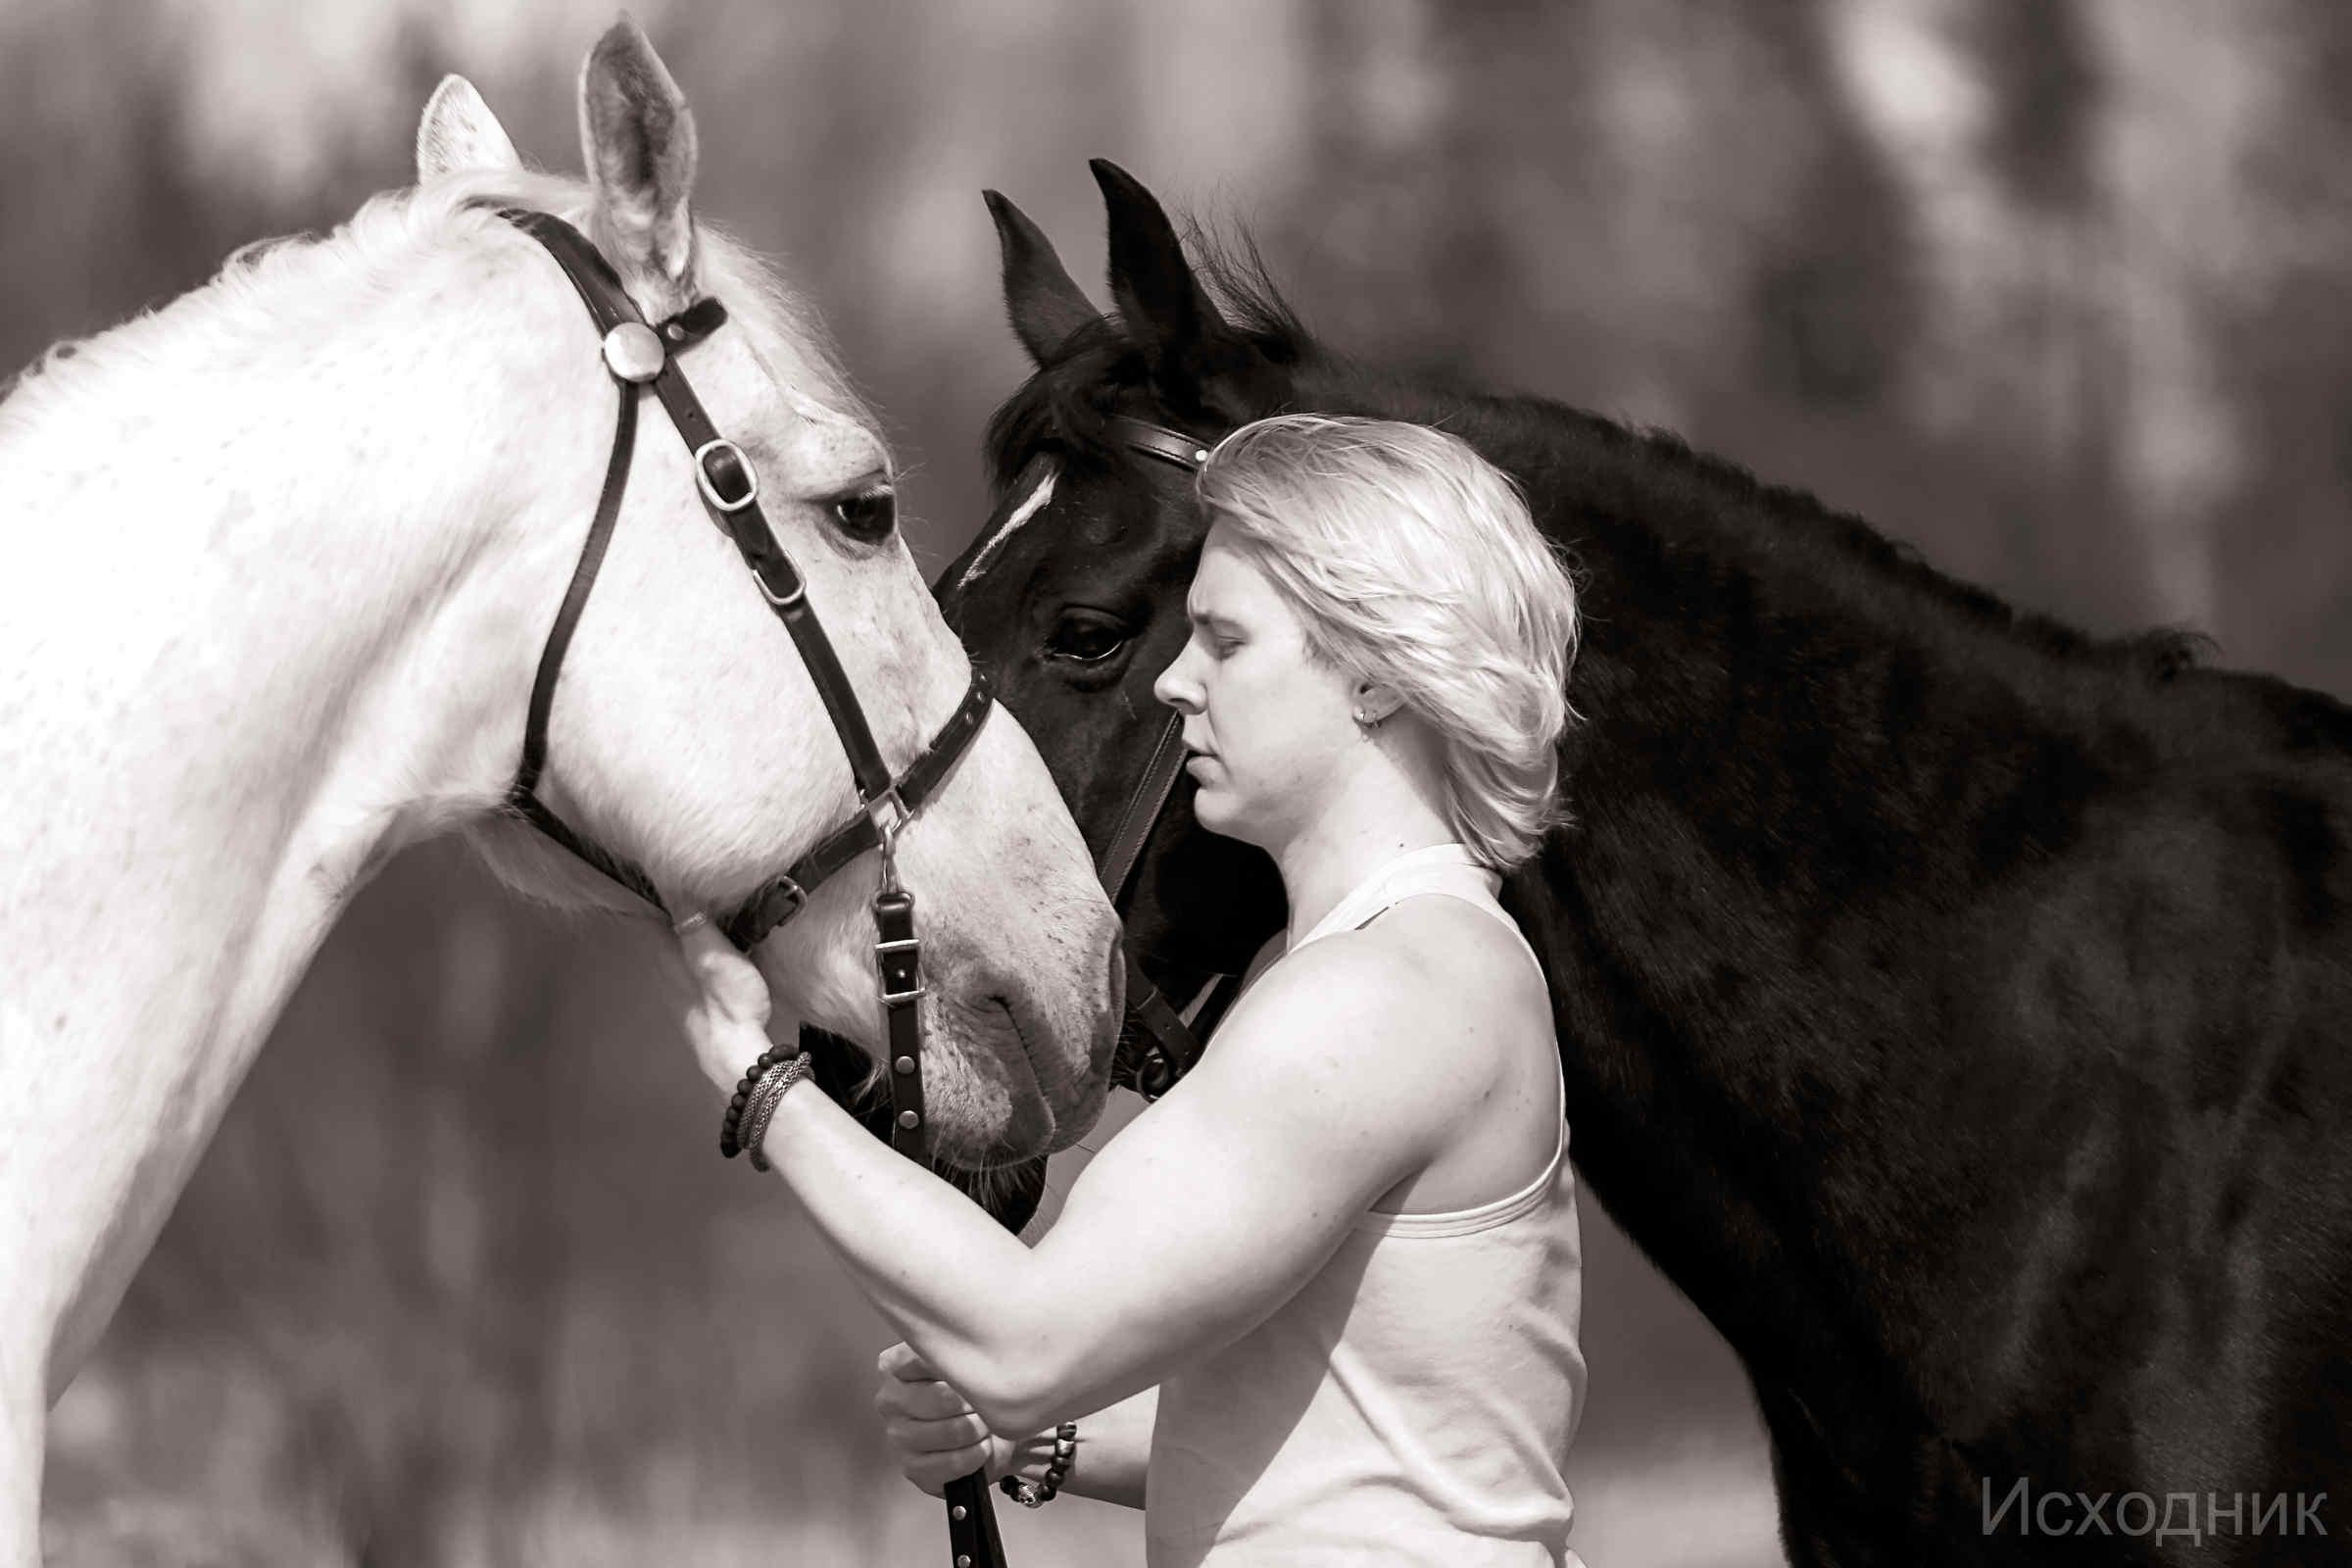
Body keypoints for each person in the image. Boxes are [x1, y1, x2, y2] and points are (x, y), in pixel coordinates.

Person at [673, 413, 1588, 1565]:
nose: (1174, 680)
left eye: (1225, 640)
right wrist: (1041, 1444)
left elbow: (1025, 1339)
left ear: (1369, 672)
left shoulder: (1386, 998)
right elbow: (1348, 1430)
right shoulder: (1410, 966)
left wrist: (758, 1079)